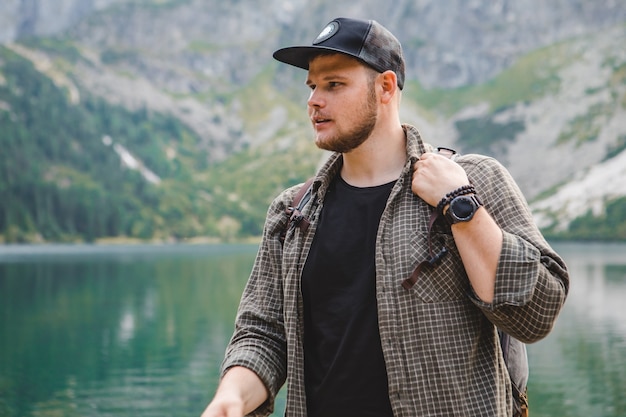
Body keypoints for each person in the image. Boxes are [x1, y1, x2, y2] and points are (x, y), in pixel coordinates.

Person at [200, 17, 569, 417]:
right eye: (312, 87)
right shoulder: (292, 210)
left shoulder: (474, 179)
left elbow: (537, 314)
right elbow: (264, 334)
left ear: (386, 87)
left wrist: (461, 206)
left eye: (334, 85)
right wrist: (230, 400)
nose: (313, 100)